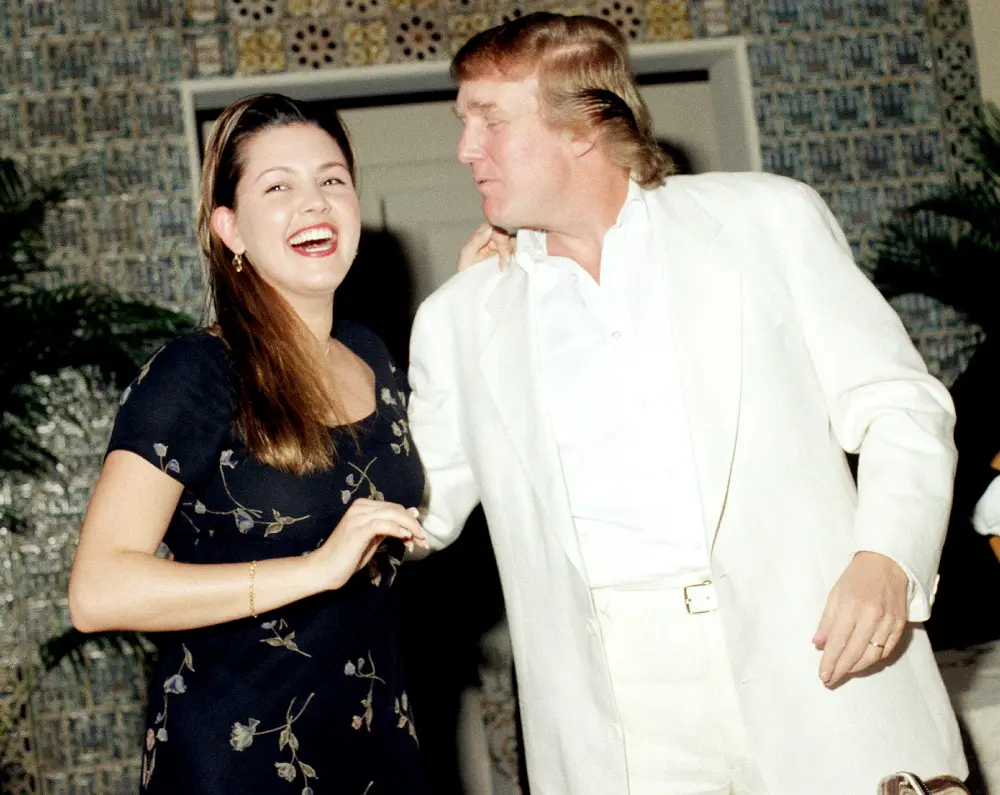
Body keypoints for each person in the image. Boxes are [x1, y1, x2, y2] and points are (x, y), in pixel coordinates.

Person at [406, 12, 967, 795]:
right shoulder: (460, 318)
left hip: (813, 665)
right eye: (463, 123)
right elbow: (415, 512)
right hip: (616, 717)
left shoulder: (766, 221)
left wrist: (887, 556)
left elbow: (901, 404)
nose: (466, 148)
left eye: (490, 121)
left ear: (584, 126)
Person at [68, 94, 427, 795]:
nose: (315, 202)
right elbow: (98, 591)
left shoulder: (371, 354)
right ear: (230, 228)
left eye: (332, 179)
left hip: (379, 746)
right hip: (239, 760)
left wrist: (490, 299)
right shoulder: (197, 373)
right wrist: (315, 569)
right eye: (278, 187)